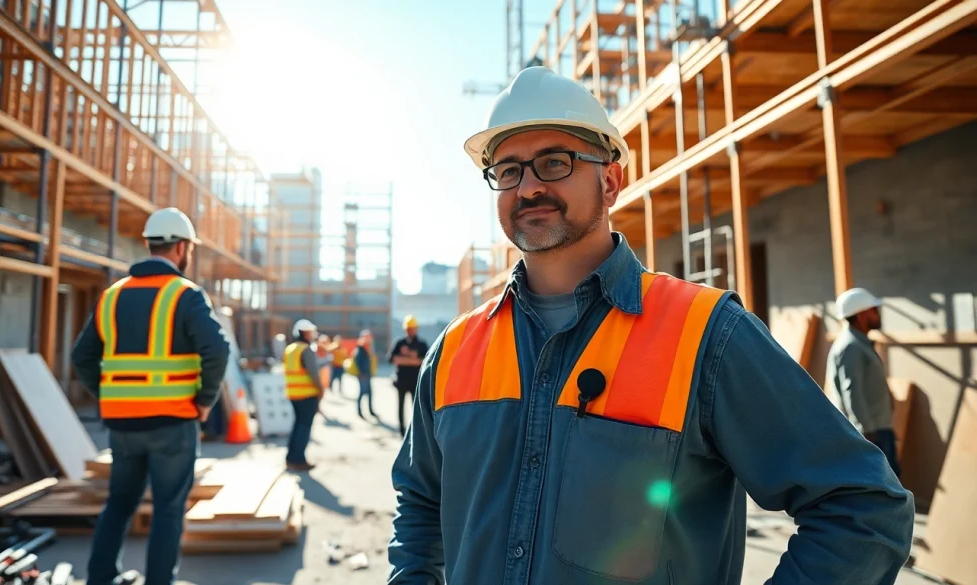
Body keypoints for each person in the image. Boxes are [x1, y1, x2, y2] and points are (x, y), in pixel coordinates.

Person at [387, 66, 914, 585]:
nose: (527, 188)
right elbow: (421, 502)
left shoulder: (707, 334)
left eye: (553, 162)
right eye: (508, 171)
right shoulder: (455, 349)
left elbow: (863, 507)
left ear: (610, 181)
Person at [71, 207, 230, 585]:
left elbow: (81, 356)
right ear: (182, 248)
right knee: (168, 511)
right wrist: (205, 400)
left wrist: (111, 394)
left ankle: (100, 579)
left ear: (148, 244)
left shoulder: (112, 295)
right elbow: (217, 350)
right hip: (173, 421)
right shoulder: (186, 294)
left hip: (123, 425)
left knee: (119, 504)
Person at [827, 287, 901, 476]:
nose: (877, 314)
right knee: (881, 486)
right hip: (871, 434)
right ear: (860, 315)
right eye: (873, 310)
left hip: (877, 430)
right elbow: (852, 391)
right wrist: (866, 431)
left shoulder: (859, 344)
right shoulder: (851, 347)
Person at [283, 319, 325, 471]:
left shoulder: (290, 349)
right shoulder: (306, 349)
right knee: (304, 427)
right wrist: (321, 390)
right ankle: (299, 460)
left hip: (293, 394)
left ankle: (290, 457)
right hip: (306, 394)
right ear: (304, 333)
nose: (312, 334)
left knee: (297, 425)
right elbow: (314, 373)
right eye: (310, 332)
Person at [387, 315, 429, 437]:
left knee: (415, 408)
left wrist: (407, 357)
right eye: (408, 329)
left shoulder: (421, 344)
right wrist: (411, 359)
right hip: (401, 381)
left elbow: (426, 361)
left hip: (415, 382)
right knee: (400, 406)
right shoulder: (399, 343)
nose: (410, 331)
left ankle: (415, 431)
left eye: (412, 328)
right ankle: (402, 430)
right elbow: (390, 358)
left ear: (416, 329)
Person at [352, 330, 377, 420]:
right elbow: (358, 362)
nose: (369, 339)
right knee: (362, 393)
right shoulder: (360, 348)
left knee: (369, 393)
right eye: (367, 337)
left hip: (367, 373)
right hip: (363, 375)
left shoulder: (368, 348)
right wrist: (362, 373)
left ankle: (370, 410)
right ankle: (359, 411)